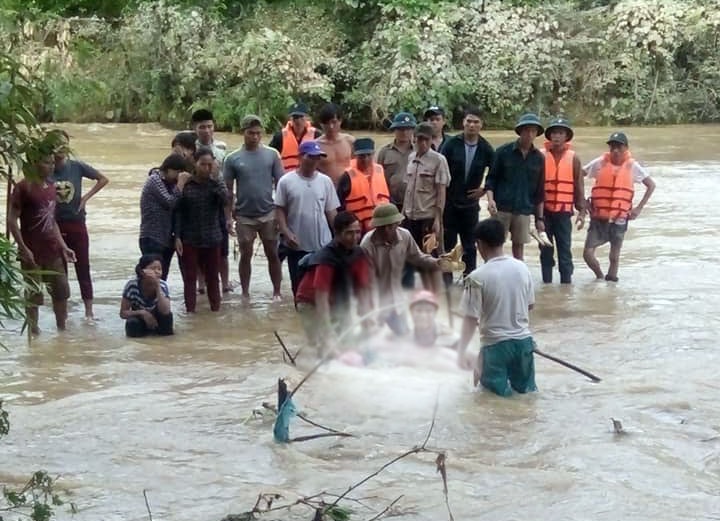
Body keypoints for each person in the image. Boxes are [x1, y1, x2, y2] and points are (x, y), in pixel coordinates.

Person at [456, 218, 537, 397]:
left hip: (495, 348)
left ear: (479, 244)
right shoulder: (523, 269)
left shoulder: (476, 277)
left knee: (492, 400)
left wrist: (461, 351)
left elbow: (470, 319)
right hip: (524, 344)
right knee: (526, 396)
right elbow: (530, 305)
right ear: (504, 240)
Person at [8, 151, 76, 335]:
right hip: (32, 251)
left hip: (53, 250)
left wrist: (63, 246)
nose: (52, 166)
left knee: (61, 292)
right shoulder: (24, 187)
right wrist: (23, 248)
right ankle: (33, 331)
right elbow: (12, 220)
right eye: (47, 162)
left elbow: (51, 220)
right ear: (35, 163)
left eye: (53, 163)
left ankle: (62, 330)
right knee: (33, 296)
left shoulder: (52, 187)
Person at [223, 114, 284, 302]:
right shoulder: (232, 159)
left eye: (258, 133)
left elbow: (281, 184)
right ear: (243, 133)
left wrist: (282, 217)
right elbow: (227, 190)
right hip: (244, 216)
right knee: (245, 255)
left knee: (273, 253)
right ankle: (245, 293)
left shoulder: (272, 154)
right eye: (251, 133)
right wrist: (228, 218)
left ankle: (277, 292)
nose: (255, 137)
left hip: (269, 213)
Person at [581, 132, 656, 282]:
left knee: (614, 257)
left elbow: (651, 185)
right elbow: (578, 174)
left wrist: (638, 208)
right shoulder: (600, 162)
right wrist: (582, 201)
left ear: (626, 148)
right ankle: (600, 278)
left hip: (619, 218)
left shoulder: (632, 166)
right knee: (587, 254)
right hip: (598, 216)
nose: (615, 150)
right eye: (612, 147)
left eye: (619, 147)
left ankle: (612, 285)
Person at [295, 212, 372, 352]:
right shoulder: (326, 258)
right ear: (337, 233)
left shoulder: (359, 254)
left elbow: (363, 289)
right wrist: (328, 333)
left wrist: (366, 319)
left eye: (358, 232)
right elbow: (321, 298)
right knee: (322, 345)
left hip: (337, 300)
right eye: (349, 233)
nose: (355, 238)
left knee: (348, 342)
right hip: (310, 303)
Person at [52, 130, 109, 320]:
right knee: (59, 272)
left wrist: (86, 197)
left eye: (62, 144)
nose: (58, 149)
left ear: (68, 147)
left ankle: (89, 312)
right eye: (54, 144)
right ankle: (63, 311)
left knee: (83, 267)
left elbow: (103, 179)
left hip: (76, 222)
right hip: (54, 225)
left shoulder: (76, 167)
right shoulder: (44, 168)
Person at [360, 204, 441, 335]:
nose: (387, 230)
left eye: (391, 226)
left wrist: (439, 263)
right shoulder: (367, 244)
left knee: (404, 336)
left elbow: (418, 258)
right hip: (376, 303)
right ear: (377, 227)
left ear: (397, 224)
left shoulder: (405, 236)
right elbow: (367, 282)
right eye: (383, 227)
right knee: (375, 341)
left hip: (397, 301)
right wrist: (370, 310)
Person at [275, 141, 339, 296]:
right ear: (300, 157)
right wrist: (286, 232)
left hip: (323, 245)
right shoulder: (286, 181)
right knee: (298, 288)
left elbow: (331, 212)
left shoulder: (325, 181)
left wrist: (339, 237)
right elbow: (279, 210)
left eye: (318, 157)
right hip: (296, 244)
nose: (315, 161)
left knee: (323, 288)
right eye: (311, 157)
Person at [440, 107, 495, 284]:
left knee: (470, 246)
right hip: (449, 202)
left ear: (481, 125)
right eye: (469, 121)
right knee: (447, 245)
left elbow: (496, 174)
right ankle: (446, 283)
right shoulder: (451, 144)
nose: (472, 125)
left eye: (476, 122)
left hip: (470, 205)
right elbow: (439, 168)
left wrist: (484, 189)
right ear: (463, 123)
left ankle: (469, 281)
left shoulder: (486, 148)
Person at [174, 147, 230, 312]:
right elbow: (177, 211)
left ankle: (216, 311)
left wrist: (216, 179)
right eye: (202, 164)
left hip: (212, 237)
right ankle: (190, 312)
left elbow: (226, 200)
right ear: (195, 164)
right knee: (189, 278)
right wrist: (176, 236)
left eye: (209, 164)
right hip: (189, 238)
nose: (206, 167)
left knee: (213, 278)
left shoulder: (215, 184)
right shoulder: (187, 184)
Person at [485, 112, 546, 261]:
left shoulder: (539, 158)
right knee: (494, 243)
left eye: (533, 131)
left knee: (519, 247)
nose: (530, 134)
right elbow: (491, 179)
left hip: (524, 209)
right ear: (520, 131)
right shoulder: (502, 152)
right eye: (526, 130)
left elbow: (539, 191)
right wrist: (490, 200)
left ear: (537, 133)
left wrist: (539, 218)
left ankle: (519, 276)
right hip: (502, 207)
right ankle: (494, 272)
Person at [401, 122, 450, 287]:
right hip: (410, 216)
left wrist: (438, 219)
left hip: (428, 217)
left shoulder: (438, 160)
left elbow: (441, 192)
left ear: (431, 141)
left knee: (431, 258)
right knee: (414, 257)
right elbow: (408, 189)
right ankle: (423, 293)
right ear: (414, 139)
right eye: (418, 139)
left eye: (425, 140)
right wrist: (402, 214)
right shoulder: (410, 158)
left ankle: (436, 294)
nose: (421, 143)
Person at [540, 117, 586, 284]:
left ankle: (566, 288)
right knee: (545, 250)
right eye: (554, 133)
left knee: (564, 251)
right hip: (543, 213)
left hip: (564, 213)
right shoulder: (540, 156)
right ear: (549, 136)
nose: (557, 136)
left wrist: (582, 211)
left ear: (567, 137)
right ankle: (547, 284)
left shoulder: (574, 158)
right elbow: (533, 185)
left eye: (561, 133)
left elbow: (579, 186)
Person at [139, 153, 190, 280]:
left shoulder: (172, 184)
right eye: (177, 172)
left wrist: (177, 236)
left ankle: (159, 299)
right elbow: (170, 202)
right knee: (151, 277)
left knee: (162, 277)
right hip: (151, 237)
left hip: (167, 238)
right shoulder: (154, 180)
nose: (178, 177)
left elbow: (178, 210)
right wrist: (181, 184)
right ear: (168, 169)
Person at [336, 138, 390, 235]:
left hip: (381, 225)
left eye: (368, 155)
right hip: (356, 231)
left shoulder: (380, 171)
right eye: (361, 156)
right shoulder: (347, 176)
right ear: (355, 156)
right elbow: (339, 206)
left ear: (373, 154)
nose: (365, 159)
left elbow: (388, 195)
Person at [120, 254, 173, 337]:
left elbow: (165, 311)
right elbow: (123, 313)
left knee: (168, 318)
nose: (157, 272)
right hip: (140, 319)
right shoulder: (132, 285)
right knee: (132, 323)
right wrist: (143, 313)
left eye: (159, 269)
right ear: (142, 271)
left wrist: (157, 286)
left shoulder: (162, 285)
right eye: (152, 268)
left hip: (158, 319)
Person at [376, 112, 416, 210]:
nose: (404, 132)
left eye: (408, 129)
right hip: (390, 202)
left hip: (414, 203)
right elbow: (378, 178)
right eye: (401, 129)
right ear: (394, 130)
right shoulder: (384, 152)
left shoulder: (418, 151)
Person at [268, 102, 322, 173]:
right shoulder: (280, 136)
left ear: (307, 117)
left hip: (310, 177)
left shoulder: (316, 134)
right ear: (290, 118)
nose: (298, 121)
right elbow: (270, 157)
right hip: (287, 178)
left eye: (301, 117)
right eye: (295, 117)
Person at [316, 103, 355, 185]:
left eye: (334, 122)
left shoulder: (350, 141)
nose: (331, 126)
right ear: (321, 124)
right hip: (326, 189)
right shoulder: (316, 146)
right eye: (326, 123)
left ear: (340, 121)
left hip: (349, 190)